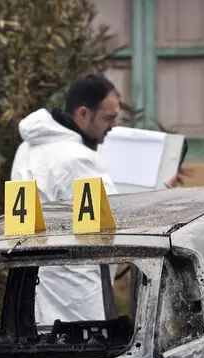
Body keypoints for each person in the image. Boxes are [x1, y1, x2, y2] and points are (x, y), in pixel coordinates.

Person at [10, 73, 121, 325]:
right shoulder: (79, 159)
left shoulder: (25, 151)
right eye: (109, 118)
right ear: (83, 114)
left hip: (30, 294)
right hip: (78, 301)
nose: (113, 126)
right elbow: (102, 234)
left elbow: (20, 228)